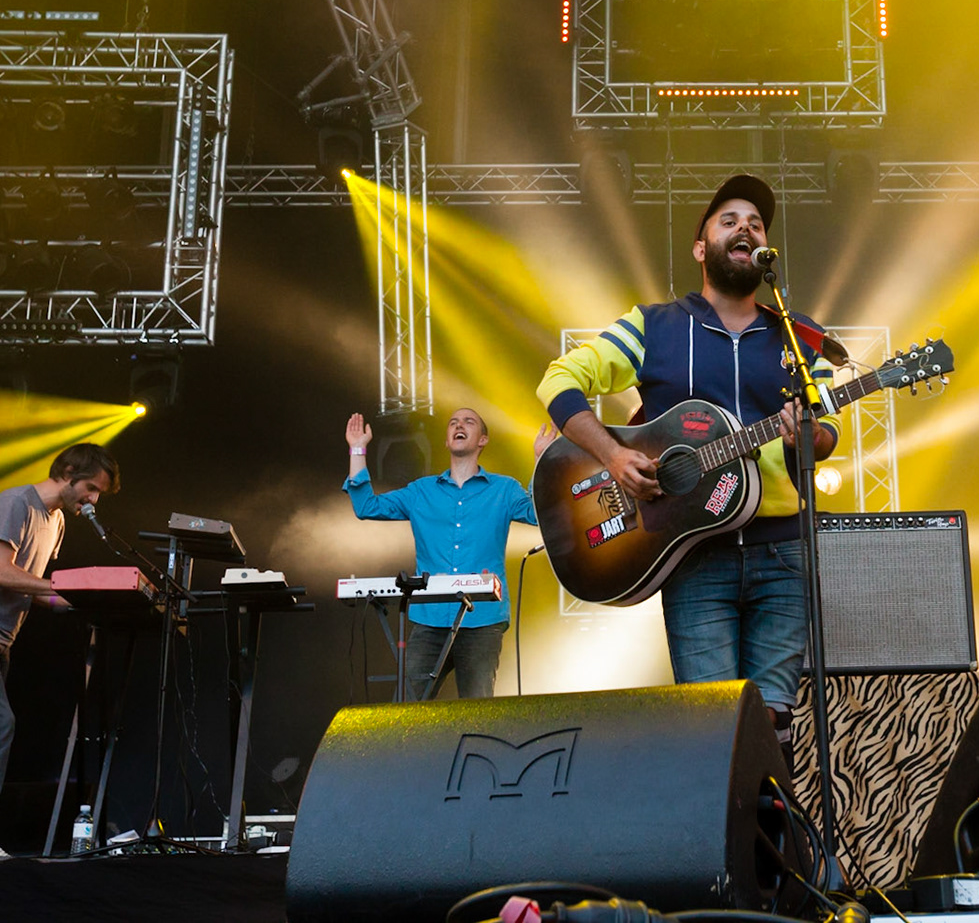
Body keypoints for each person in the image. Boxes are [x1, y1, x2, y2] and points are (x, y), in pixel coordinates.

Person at [536, 173, 840, 762]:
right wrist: (614, 455)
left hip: (784, 552)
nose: (745, 229)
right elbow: (560, 380)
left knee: (777, 725)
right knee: (714, 731)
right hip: (693, 555)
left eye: (755, 223)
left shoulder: (800, 337)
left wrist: (808, 436)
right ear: (702, 248)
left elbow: (826, 435)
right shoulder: (653, 326)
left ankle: (776, 848)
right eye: (729, 220)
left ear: (765, 251)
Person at [0, 442, 118, 860]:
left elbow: (29, 587)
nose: (93, 500)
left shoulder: (57, 523)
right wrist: (61, 588)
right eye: (90, 488)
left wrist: (84, 601)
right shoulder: (13, 502)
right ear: (67, 471)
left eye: (98, 493)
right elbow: (0, 573)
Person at [343, 406, 544, 700]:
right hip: (429, 620)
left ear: (483, 440)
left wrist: (543, 461)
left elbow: (541, 514)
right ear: (447, 441)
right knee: (408, 715)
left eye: (468, 421)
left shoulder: (504, 489)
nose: (458, 425)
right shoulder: (420, 492)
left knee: (476, 715)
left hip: (482, 621)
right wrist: (357, 450)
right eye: (453, 422)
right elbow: (366, 507)